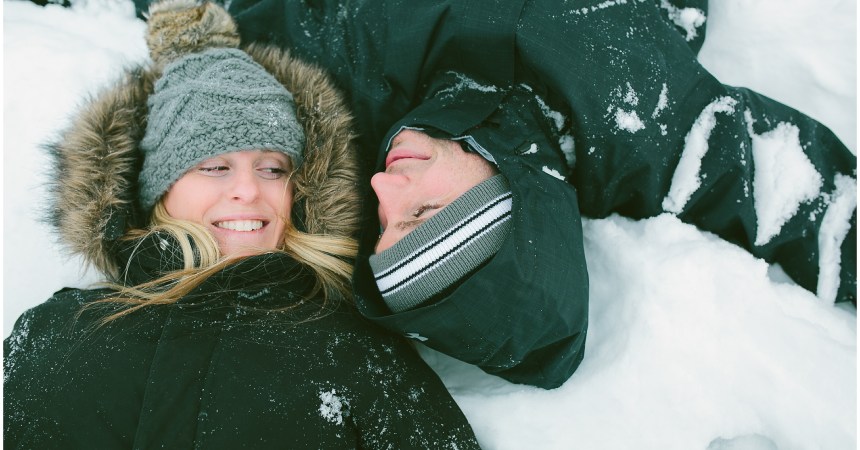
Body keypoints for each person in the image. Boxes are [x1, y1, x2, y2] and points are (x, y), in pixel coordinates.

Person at [131, 0, 856, 389]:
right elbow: (800, 198)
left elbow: (290, 29)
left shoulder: (369, 118)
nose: (387, 184)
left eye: (385, 221)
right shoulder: (636, 122)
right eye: (423, 212)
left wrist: (205, 32)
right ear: (508, 203)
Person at [3, 3, 481, 448]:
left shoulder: (355, 352)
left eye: (273, 169)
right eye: (214, 167)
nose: (250, 191)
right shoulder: (53, 332)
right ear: (158, 190)